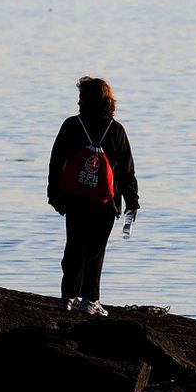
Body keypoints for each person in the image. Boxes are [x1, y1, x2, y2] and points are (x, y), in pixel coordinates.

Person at [47, 76, 139, 316]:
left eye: (80, 98)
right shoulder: (116, 130)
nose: (78, 104)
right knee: (95, 251)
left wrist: (54, 193)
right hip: (105, 202)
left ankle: (67, 297)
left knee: (74, 247)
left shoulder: (71, 125)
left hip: (75, 198)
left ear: (87, 100)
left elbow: (57, 161)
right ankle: (90, 301)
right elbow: (126, 170)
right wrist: (132, 202)